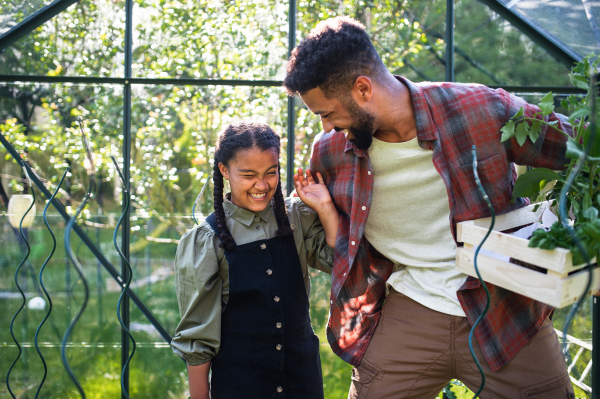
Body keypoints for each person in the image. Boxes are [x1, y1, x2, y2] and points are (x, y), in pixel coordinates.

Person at [285, 16, 576, 398]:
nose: (324, 127)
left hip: (504, 305)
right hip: (413, 306)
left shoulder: (481, 110)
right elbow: (329, 235)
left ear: (362, 88)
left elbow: (582, 150)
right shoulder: (331, 152)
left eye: (326, 113)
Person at [170, 121, 339, 399]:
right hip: (240, 385)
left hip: (302, 379)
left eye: (270, 173)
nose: (262, 185)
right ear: (224, 170)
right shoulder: (206, 241)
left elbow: (339, 262)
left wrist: (326, 209)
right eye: (248, 175)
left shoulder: (296, 216)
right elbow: (197, 336)